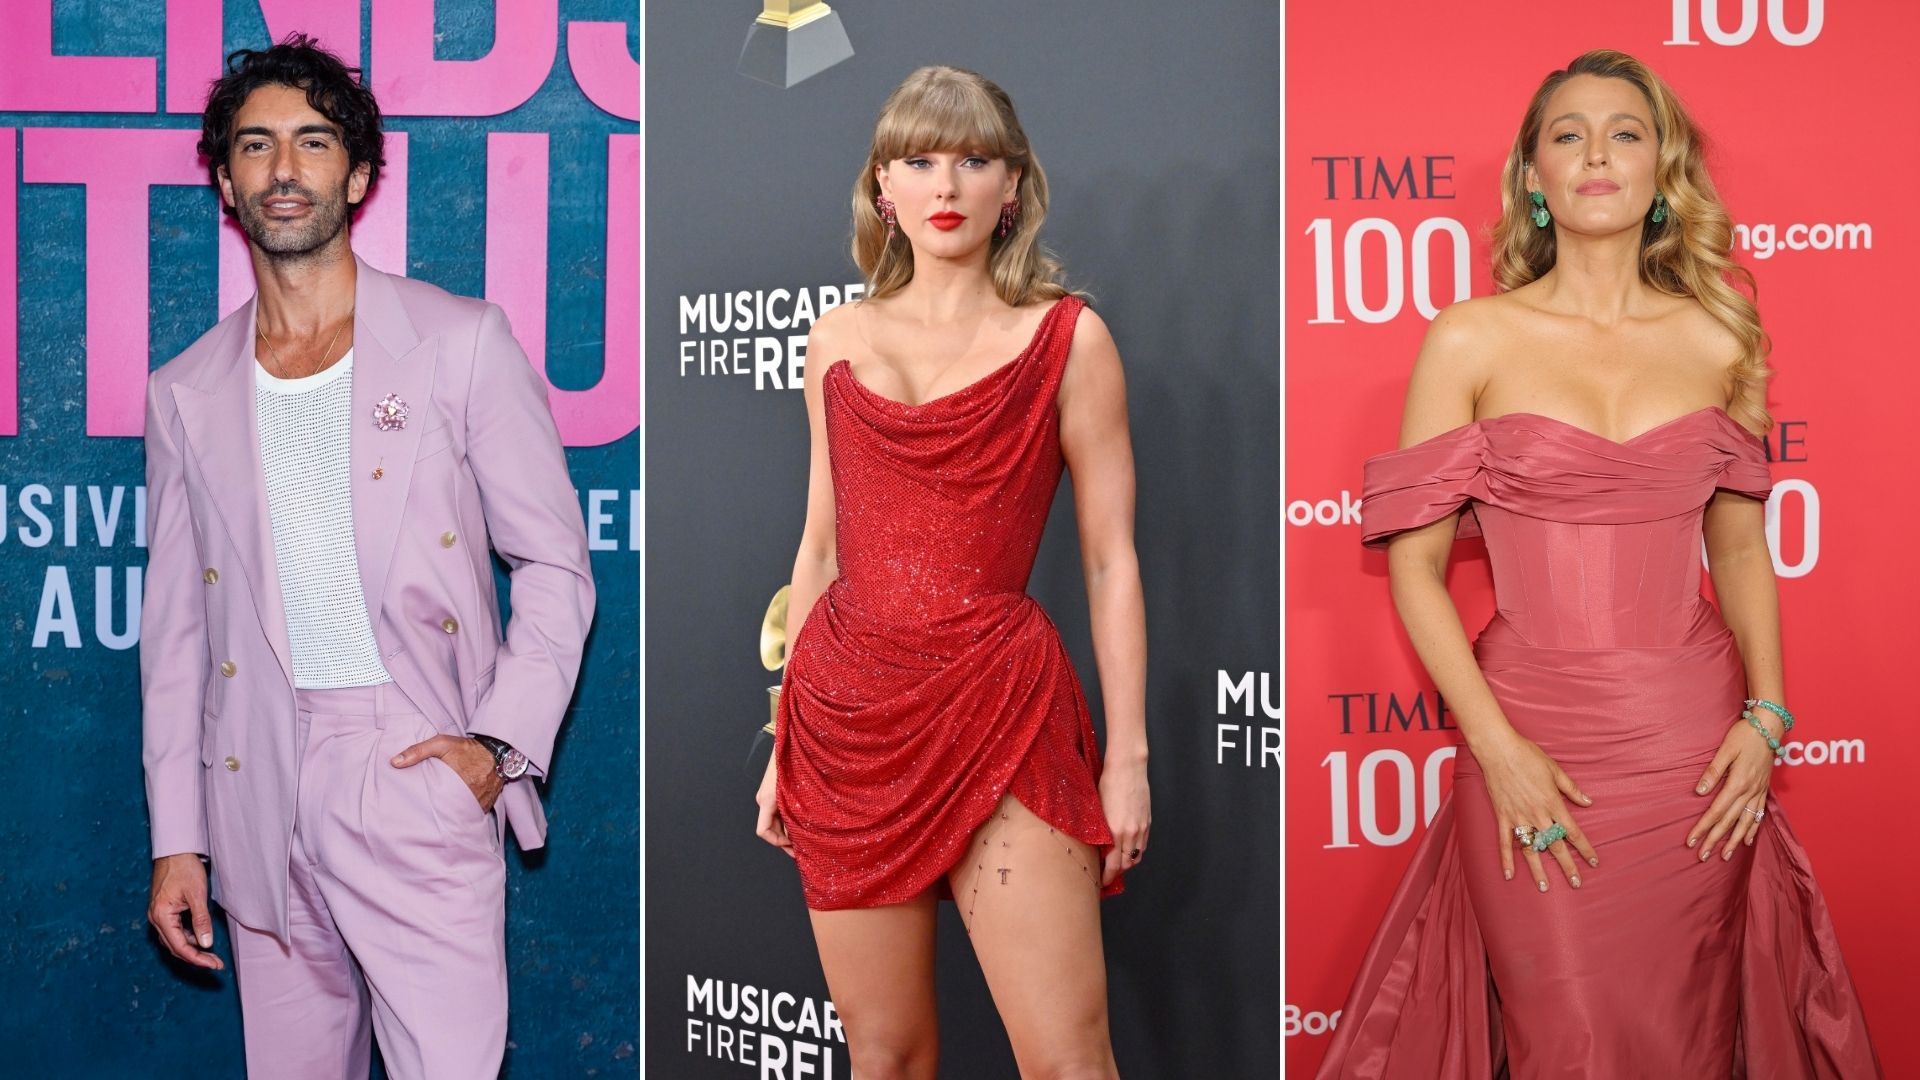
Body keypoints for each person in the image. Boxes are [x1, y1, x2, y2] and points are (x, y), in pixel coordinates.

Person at [1318, 50, 1879, 1079]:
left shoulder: (1722, 337)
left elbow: (1742, 548)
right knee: (1564, 1037)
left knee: (1688, 1034)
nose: (1596, 154)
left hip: (1691, 750)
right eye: (1567, 134)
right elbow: (1413, 568)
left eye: (1625, 132)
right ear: (1533, 176)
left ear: (1663, 168)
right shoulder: (1471, 339)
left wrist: (1768, 716)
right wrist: (1496, 748)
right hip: (1532, 733)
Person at [140, 35, 594, 1078]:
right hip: (254, 779)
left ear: (357, 174)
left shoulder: (459, 340)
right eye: (255, 146)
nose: (283, 170)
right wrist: (179, 835)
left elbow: (557, 566)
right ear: (224, 179)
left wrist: (495, 743)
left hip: (411, 762)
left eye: (311, 142)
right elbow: (173, 639)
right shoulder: (186, 388)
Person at [753, 66, 1150, 1079]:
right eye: (920, 160)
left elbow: (1109, 562)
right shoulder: (835, 337)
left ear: (1010, 186)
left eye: (973, 160)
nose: (947, 184)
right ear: (882, 187)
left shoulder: (1068, 338)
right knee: (884, 1057)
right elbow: (822, 549)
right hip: (847, 721)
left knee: (1069, 1060)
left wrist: (1127, 759)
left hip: (1001, 705)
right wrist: (781, 739)